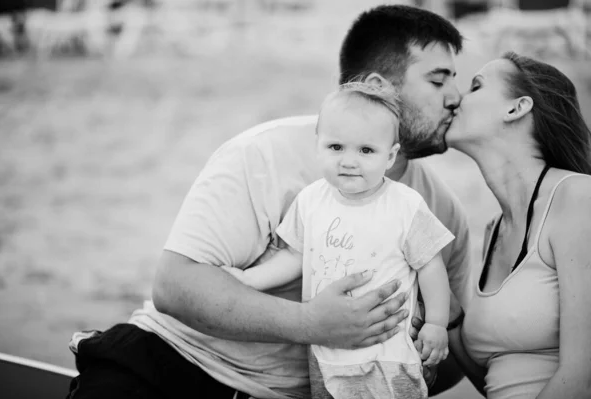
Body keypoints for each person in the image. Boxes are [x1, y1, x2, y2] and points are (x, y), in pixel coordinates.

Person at [66, 5, 472, 399]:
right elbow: (174, 285)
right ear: (377, 87)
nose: (456, 97)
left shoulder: (440, 210)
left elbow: (452, 360)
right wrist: (310, 323)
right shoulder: (265, 154)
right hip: (175, 365)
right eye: (438, 82)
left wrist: (418, 353)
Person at [223, 82, 454, 399]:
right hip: (327, 356)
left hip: (389, 356)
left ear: (390, 156)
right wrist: (248, 279)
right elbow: (294, 256)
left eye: (366, 150)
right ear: (317, 145)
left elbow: (430, 265)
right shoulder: (311, 201)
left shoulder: (405, 205)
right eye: (336, 148)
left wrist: (437, 324)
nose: (349, 160)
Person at [444, 51, 591, 399]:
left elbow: (581, 378)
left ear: (516, 108)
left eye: (475, 86)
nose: (454, 100)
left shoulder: (578, 199)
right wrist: (450, 319)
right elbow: (499, 379)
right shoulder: (495, 229)